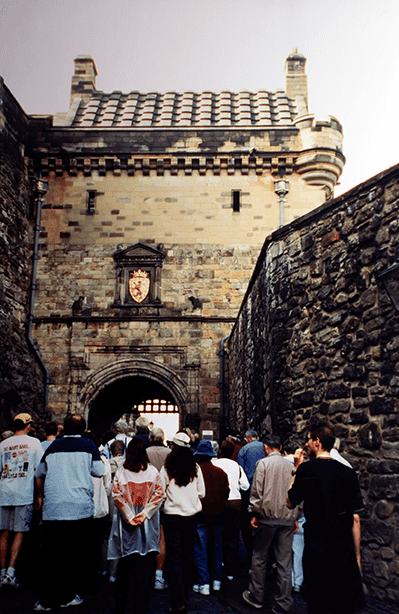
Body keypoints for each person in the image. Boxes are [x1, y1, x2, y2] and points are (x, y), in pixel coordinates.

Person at [287, 421, 365, 614]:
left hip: (317, 545)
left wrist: (297, 468)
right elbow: (355, 517)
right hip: (342, 546)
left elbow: (290, 501)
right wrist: (357, 555)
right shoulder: (348, 473)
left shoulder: (307, 470)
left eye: (308, 440)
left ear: (317, 442)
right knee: (341, 601)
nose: (305, 444)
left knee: (318, 601)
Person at [34, 414, 105, 611]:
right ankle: (68, 595)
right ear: (83, 429)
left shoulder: (53, 447)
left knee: (50, 555)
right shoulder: (89, 446)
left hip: (54, 508)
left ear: (63, 428)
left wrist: (39, 496)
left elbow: (39, 474)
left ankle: (45, 600)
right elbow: (99, 471)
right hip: (79, 509)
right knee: (74, 555)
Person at [107, 437, 165, 614]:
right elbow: (159, 494)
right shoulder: (153, 471)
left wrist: (130, 516)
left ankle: (122, 604)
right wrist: (145, 514)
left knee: (125, 567)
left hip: (126, 527)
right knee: (145, 567)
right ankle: (141, 605)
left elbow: (117, 496)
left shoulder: (122, 472)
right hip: (147, 525)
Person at [242, 434, 299, 614]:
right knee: (284, 562)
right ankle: (284, 602)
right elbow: (297, 492)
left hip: (266, 518)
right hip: (287, 519)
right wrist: (296, 516)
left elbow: (257, 491)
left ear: (266, 447)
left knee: (259, 557)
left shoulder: (263, 464)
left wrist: (254, 513)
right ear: (280, 448)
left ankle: (256, 596)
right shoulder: (290, 466)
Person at [160, 432, 205, 613]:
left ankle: (177, 600)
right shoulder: (195, 468)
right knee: (187, 555)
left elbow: (160, 491)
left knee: (175, 557)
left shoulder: (167, 468)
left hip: (172, 516)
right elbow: (202, 492)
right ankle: (184, 597)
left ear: (174, 447)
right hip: (191, 516)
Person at [0, 413, 43, 589]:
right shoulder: (34, 443)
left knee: (3, 532)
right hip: (24, 492)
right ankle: (11, 572)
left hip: (4, 492)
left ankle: (1, 572)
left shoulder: (3, 444)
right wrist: (39, 495)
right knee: (19, 531)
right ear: (28, 425)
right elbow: (40, 471)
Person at [192, 440, 230, 595]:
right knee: (217, 548)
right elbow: (226, 493)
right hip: (218, 515)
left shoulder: (195, 472)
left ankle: (204, 582)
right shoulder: (220, 472)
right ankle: (217, 581)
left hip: (201, 516)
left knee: (200, 549)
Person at [212, 439, 249, 580]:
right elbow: (245, 485)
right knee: (232, 536)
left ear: (220, 451)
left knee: (217, 535)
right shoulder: (237, 466)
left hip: (219, 502)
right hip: (234, 502)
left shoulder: (214, 464)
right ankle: (230, 569)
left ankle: (217, 564)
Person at [146, 427, 171, 591]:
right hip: (165, 501)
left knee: (146, 536)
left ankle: (146, 572)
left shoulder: (145, 452)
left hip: (147, 501)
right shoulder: (169, 454)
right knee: (163, 538)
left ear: (150, 438)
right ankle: (159, 574)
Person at [237, 430, 265, 552]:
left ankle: (249, 546)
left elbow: (240, 471)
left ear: (247, 439)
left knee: (247, 518)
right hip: (265, 487)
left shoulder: (243, 450)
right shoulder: (265, 446)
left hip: (248, 488)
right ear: (257, 437)